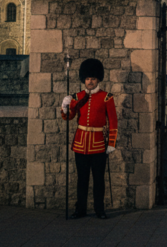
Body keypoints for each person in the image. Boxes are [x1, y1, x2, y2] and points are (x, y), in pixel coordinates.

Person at [61, 58, 118, 219]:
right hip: (80, 143)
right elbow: (68, 117)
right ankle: (81, 209)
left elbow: (113, 122)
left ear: (98, 79)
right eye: (87, 78)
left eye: (93, 78)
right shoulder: (77, 97)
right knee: (82, 180)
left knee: (98, 180)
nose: (90, 81)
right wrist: (65, 106)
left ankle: (99, 209)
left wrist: (111, 143)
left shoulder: (107, 97)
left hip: (99, 144)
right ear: (84, 80)